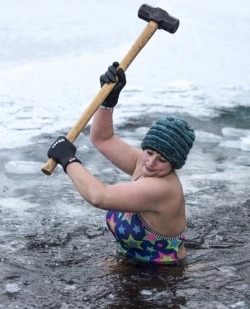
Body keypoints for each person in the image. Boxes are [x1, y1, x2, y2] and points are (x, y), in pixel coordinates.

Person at [47, 62, 195, 265]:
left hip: (163, 276)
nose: (150, 163)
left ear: (174, 164)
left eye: (162, 160)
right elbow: (103, 139)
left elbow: (99, 196)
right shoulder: (141, 163)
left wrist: (68, 160)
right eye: (149, 152)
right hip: (132, 264)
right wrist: (107, 102)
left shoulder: (161, 188)